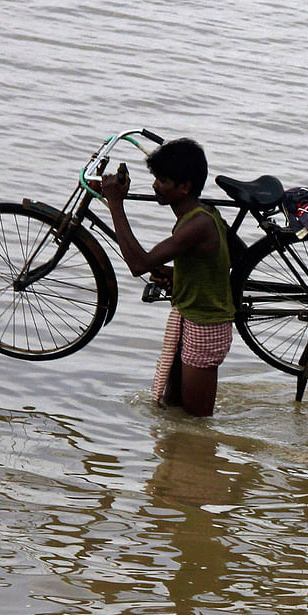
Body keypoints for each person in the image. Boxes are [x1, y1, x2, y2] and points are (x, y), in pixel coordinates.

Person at [91, 138, 234, 417]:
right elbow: (230, 256)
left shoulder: (197, 224)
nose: (155, 185)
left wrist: (116, 204)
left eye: (163, 180)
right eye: (156, 178)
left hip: (206, 326)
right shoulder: (203, 214)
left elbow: (138, 264)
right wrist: (182, 274)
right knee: (172, 411)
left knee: (196, 421)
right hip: (191, 317)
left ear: (184, 188)